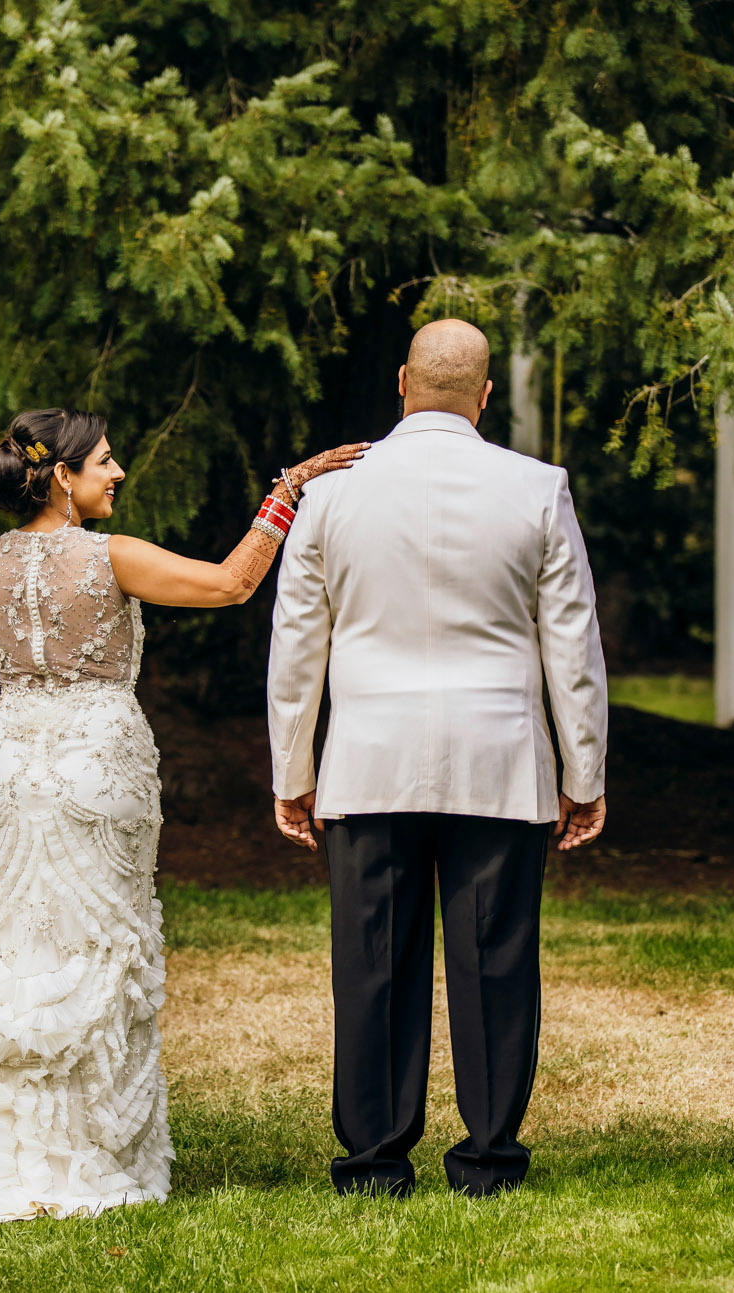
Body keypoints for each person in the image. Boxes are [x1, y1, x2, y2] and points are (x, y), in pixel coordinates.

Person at [0, 407, 367, 1221]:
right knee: (99, 941)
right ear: (60, 476)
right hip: (97, 766)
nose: (118, 472)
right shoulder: (112, 558)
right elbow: (232, 583)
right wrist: (289, 488)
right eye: (104, 460)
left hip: (8, 766)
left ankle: (0, 1142)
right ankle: (86, 1151)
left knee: (16, 939)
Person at [267, 317, 609, 1200]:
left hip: (368, 759)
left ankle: (374, 1162)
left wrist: (292, 771)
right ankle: (489, 1160)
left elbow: (298, 644)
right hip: (498, 759)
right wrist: (586, 774)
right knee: (496, 960)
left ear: (401, 382)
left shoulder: (334, 494)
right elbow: (571, 644)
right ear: (486, 395)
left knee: (373, 959)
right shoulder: (538, 487)